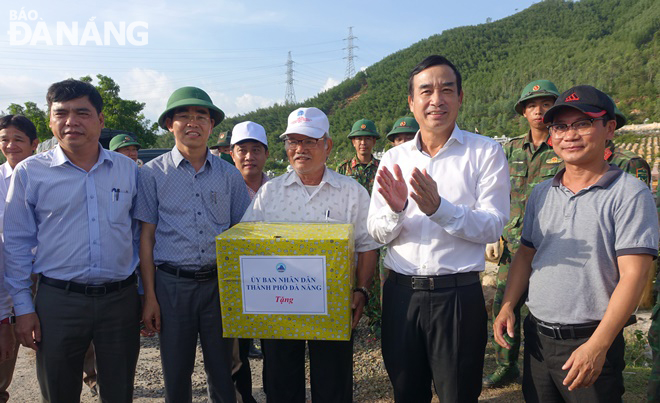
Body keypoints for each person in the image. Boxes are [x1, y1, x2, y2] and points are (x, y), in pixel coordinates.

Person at [494, 85, 658, 402]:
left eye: (583, 123)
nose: (570, 135)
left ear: (609, 128)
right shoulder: (541, 193)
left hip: (590, 340)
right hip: (538, 339)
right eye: (560, 126)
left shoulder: (629, 194)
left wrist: (598, 346)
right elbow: (526, 255)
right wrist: (508, 306)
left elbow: (634, 276)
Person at [367, 55, 510, 402]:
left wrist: (439, 209)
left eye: (447, 89)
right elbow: (375, 232)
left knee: (458, 394)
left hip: (458, 298)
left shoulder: (485, 152)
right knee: (406, 391)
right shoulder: (393, 159)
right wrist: (399, 209)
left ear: (460, 97)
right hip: (402, 296)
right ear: (411, 102)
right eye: (426, 91)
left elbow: (492, 225)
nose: (437, 99)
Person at [4, 79, 140, 402]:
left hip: (119, 301)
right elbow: (16, 243)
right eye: (61, 114)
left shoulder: (129, 171)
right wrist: (22, 308)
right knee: (59, 391)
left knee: (119, 391)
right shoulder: (29, 173)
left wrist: (144, 295)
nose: (71, 122)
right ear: (49, 121)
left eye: (82, 113)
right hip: (58, 301)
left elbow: (138, 235)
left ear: (101, 120)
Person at [242, 106, 380, 403]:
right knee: (280, 384)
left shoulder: (351, 192)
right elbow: (246, 243)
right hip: (279, 306)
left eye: (309, 141)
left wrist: (362, 289)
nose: (299, 149)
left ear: (327, 145)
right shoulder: (270, 193)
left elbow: (367, 245)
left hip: (333, 306)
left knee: (332, 385)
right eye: (293, 141)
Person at [136, 86, 250, 402]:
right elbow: (145, 238)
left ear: (211, 125)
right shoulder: (152, 175)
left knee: (222, 370)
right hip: (172, 286)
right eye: (184, 116)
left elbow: (242, 233)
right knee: (175, 372)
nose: (193, 122)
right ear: (170, 124)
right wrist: (150, 297)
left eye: (201, 116)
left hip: (218, 285)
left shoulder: (229, 176)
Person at [483, 79, 561, 389]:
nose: (539, 110)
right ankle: (507, 365)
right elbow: (494, 193)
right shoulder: (509, 148)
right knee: (504, 304)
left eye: (545, 104)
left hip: (553, 244)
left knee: (549, 310)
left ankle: (548, 369)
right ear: (523, 112)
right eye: (532, 105)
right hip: (513, 244)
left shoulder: (565, 145)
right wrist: (495, 233)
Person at [229, 121, 269, 403]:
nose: (249, 156)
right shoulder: (222, 188)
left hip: (274, 281)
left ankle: (275, 392)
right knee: (237, 350)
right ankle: (244, 397)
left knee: (275, 346)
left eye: (256, 150)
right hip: (235, 282)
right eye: (242, 150)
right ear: (232, 154)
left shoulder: (279, 189)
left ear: (266, 154)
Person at [0, 115, 39, 402]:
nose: (10, 145)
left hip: (44, 273)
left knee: (60, 340)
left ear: (34, 144)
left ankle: (89, 377)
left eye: (18, 139)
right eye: (4, 139)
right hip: (5, 273)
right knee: (5, 344)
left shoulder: (45, 177)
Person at [336, 119, 380, 195]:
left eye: (368, 139)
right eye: (359, 139)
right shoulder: (343, 168)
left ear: (374, 142)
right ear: (353, 142)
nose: (363, 143)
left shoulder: (382, 167)